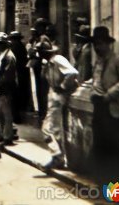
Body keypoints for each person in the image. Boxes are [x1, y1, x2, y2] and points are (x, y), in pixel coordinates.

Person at [90, 26, 119, 169]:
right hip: (100, 109)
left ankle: (117, 189)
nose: (97, 47)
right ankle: (106, 186)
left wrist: (109, 94)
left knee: (115, 150)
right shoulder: (98, 62)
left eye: (100, 44)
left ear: (108, 44)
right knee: (101, 148)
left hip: (115, 112)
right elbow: (96, 81)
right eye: (95, 44)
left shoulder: (118, 60)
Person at [38, 41, 79, 170]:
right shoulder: (49, 63)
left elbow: (72, 73)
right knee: (56, 130)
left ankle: (57, 155)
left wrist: (62, 86)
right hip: (54, 97)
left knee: (47, 129)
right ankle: (59, 158)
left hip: (60, 96)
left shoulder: (58, 59)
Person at [0, 33, 17, 146]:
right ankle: (2, 134)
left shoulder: (9, 57)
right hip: (0, 88)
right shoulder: (2, 55)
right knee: (0, 114)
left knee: (6, 114)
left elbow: (7, 75)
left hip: (6, 88)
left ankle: (7, 137)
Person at [7, 31, 29, 124]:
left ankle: (16, 117)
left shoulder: (14, 47)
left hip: (17, 74)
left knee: (14, 97)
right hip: (22, 73)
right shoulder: (21, 46)